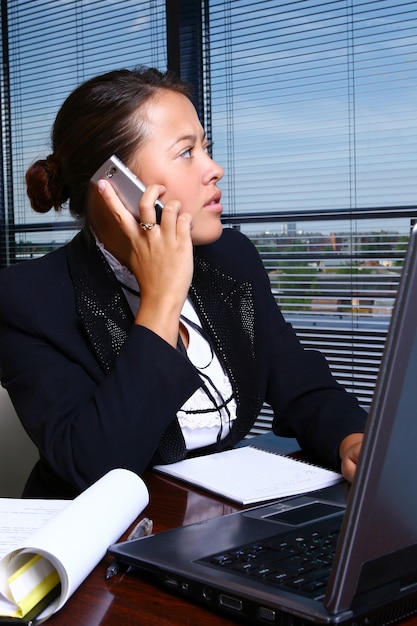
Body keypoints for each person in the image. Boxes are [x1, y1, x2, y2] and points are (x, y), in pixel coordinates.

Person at [0, 67, 366, 498]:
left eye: (205, 147)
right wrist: (161, 298)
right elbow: (95, 466)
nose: (215, 169)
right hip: (102, 548)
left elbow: (299, 381)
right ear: (114, 184)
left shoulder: (232, 258)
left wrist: (352, 438)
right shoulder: (27, 299)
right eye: (186, 153)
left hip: (217, 527)